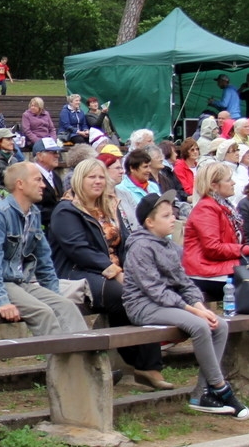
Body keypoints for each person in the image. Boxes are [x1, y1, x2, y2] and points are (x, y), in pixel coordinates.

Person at [124, 194, 249, 418]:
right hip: (143, 306)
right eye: (166, 216)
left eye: (172, 214)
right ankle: (221, 388)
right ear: (149, 222)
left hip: (169, 304)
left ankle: (201, 393)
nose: (173, 218)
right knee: (200, 326)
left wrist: (201, 306)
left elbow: (185, 282)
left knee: (218, 324)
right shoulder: (140, 247)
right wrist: (192, 311)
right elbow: (154, 290)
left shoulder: (170, 246)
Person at [50, 158, 169, 388]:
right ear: (79, 180)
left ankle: (149, 366)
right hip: (78, 273)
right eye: (91, 177)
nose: (97, 181)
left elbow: (124, 243)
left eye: (101, 177)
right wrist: (114, 271)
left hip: (113, 272)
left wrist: (133, 269)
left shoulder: (107, 208)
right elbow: (79, 250)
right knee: (127, 295)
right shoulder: (66, 210)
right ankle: (143, 364)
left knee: (144, 292)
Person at [0, 162, 88, 338]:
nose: (43, 185)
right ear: (20, 184)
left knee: (66, 307)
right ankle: (61, 362)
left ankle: (82, 360)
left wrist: (55, 296)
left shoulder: (33, 214)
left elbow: (44, 262)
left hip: (19, 283)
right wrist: (1, 300)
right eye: (38, 180)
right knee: (43, 313)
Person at [183, 161, 249, 301]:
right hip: (205, 272)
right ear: (214, 186)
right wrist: (246, 250)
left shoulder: (223, 206)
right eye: (228, 180)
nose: (233, 183)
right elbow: (213, 248)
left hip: (219, 267)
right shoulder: (206, 209)